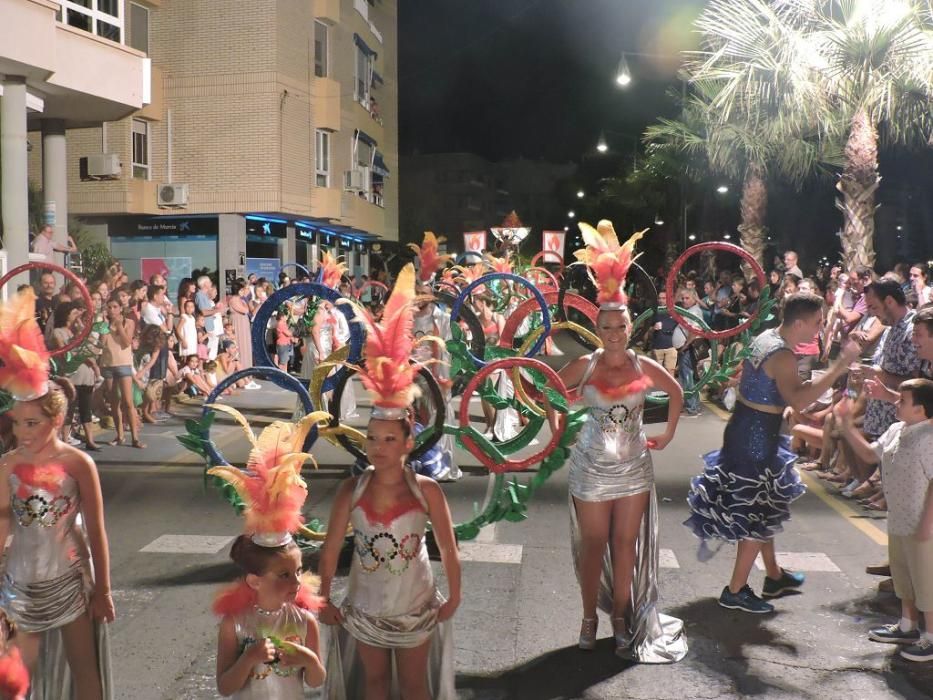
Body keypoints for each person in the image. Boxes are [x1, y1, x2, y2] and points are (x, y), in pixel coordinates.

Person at [319, 264, 460, 699]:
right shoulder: (352, 490)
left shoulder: (426, 490)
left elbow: (449, 547)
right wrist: (323, 596)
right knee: (375, 684)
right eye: (372, 439)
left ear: (406, 442)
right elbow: (329, 548)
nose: (378, 447)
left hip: (415, 605)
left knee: (415, 686)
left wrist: (453, 595)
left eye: (387, 440)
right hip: (364, 605)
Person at [559, 221, 687, 662]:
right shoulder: (585, 364)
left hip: (633, 466)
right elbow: (545, 391)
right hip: (591, 467)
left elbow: (676, 393)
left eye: (621, 325)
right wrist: (567, 412)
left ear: (631, 325)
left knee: (625, 544)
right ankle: (588, 618)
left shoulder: (643, 364)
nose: (614, 333)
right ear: (597, 326)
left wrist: (666, 434)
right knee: (593, 545)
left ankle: (618, 617)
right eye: (607, 326)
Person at [685, 293, 860, 613]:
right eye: (818, 323)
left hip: (745, 425)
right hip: (756, 435)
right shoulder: (783, 356)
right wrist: (839, 367)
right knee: (757, 509)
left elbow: (744, 378)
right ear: (799, 323)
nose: (820, 329)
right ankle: (735, 590)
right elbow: (800, 401)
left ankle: (775, 576)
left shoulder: (765, 336)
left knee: (762, 504)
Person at [0, 288, 114, 698]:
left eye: (32, 423)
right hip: (16, 583)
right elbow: (1, 524)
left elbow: (97, 530)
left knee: (84, 670)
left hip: (67, 579)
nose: (22, 433)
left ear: (57, 418)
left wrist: (102, 589)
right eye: (17, 423)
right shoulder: (8, 466)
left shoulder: (78, 464)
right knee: (13, 678)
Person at [209, 413, 327, 696]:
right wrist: (249, 658)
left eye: (298, 571)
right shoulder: (235, 623)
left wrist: (308, 660)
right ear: (254, 580)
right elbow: (225, 687)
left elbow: (316, 680)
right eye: (284, 574)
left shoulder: (304, 620)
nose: (296, 582)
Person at [838, 379, 933, 662]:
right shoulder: (896, 430)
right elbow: (869, 453)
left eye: (902, 400)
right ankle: (907, 625)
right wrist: (846, 426)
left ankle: (930, 638)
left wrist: (928, 523)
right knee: (904, 576)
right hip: (899, 517)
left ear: (920, 408)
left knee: (926, 580)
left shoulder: (929, 437)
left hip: (922, 521)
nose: (895, 403)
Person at [100, 300, 145, 448]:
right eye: (109, 307)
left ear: (120, 309)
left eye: (115, 307)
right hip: (108, 364)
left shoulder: (129, 322)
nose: (112, 309)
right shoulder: (104, 324)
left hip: (123, 363)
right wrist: (106, 326)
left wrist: (119, 326)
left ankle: (135, 437)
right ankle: (119, 435)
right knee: (114, 402)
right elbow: (103, 343)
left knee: (128, 401)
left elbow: (126, 343)